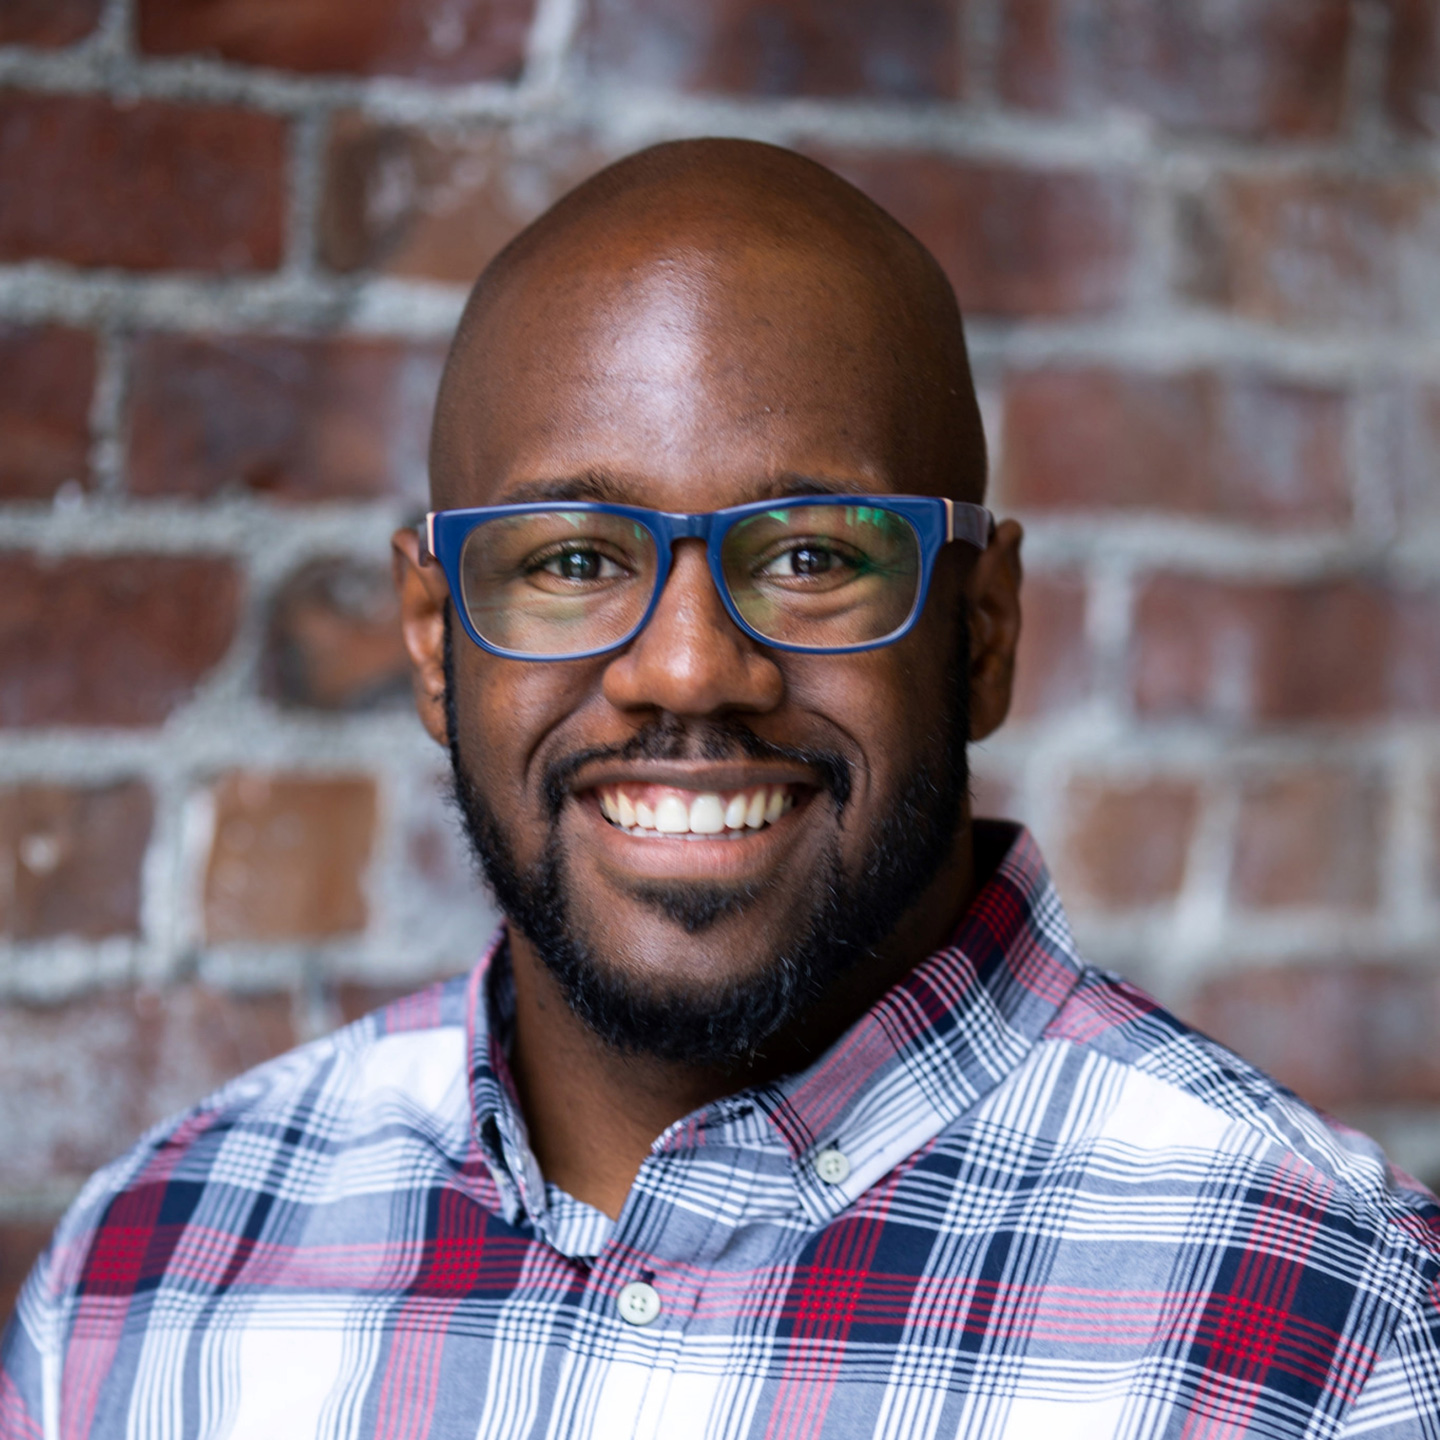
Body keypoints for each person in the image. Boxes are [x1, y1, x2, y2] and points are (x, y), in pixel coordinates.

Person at [3, 138, 1438, 1440]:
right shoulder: (151, 1277)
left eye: (812, 555)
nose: (687, 669)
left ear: (983, 629)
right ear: (438, 642)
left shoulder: (1324, 1337)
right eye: (574, 560)